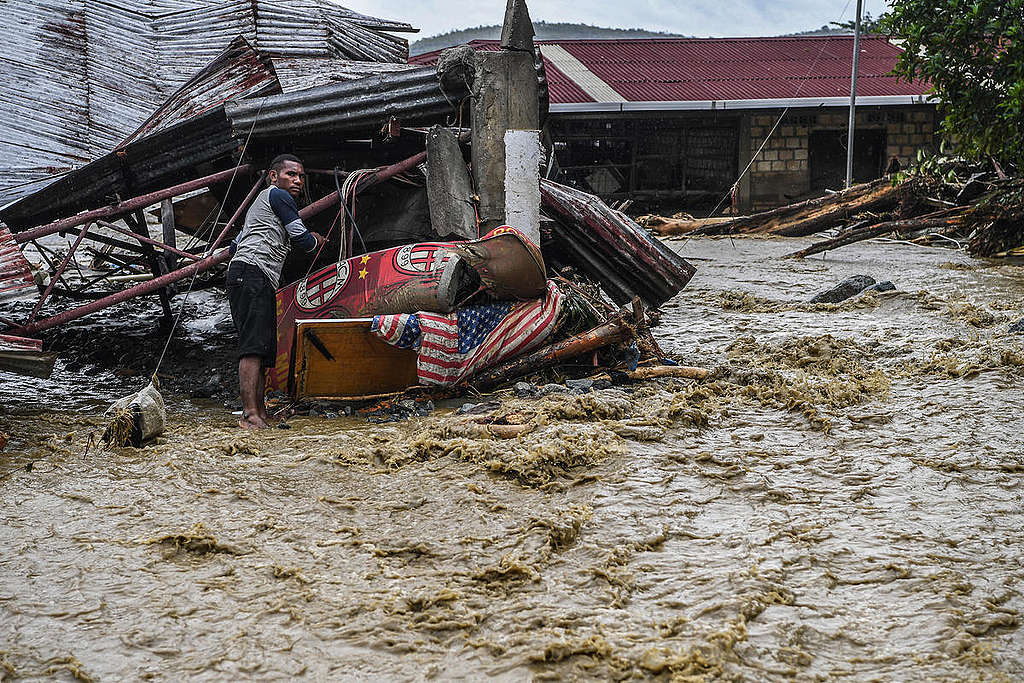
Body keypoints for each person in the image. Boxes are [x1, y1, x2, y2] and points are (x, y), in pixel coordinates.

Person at [227, 154, 325, 429]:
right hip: (253, 273)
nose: (297, 181)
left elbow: (235, 247)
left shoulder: (259, 205)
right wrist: (316, 240)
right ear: (273, 176)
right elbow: (302, 239)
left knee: (263, 348)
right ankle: (250, 415)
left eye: (301, 177)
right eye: (291, 174)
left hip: (251, 274)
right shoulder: (279, 197)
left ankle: (260, 412)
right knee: (253, 346)